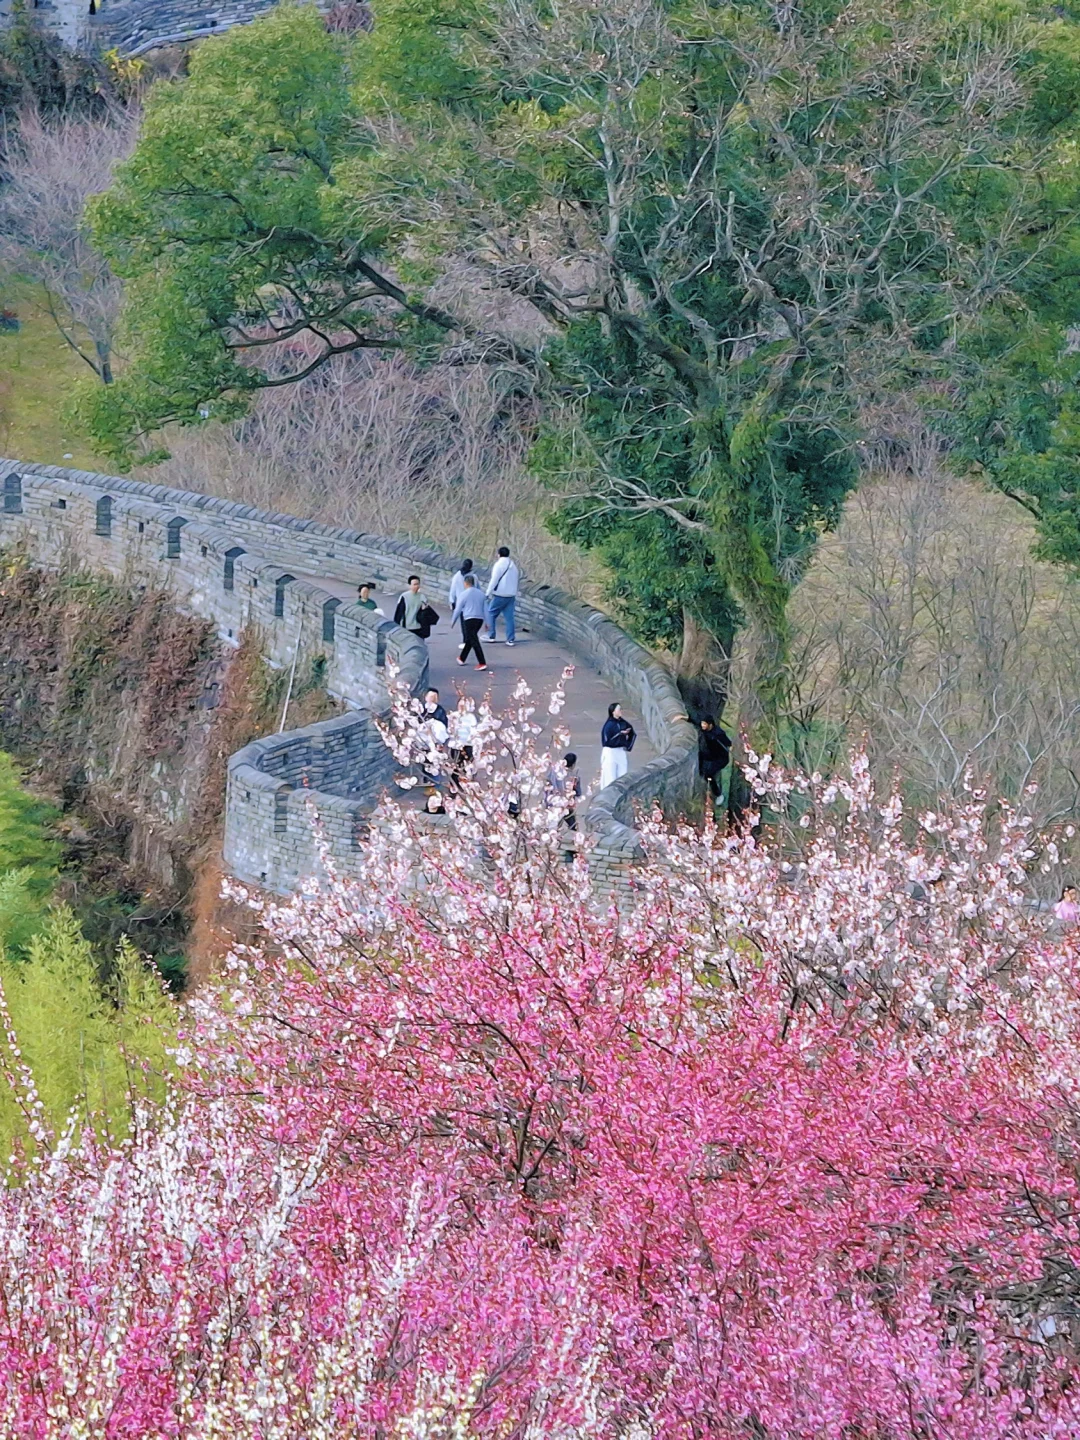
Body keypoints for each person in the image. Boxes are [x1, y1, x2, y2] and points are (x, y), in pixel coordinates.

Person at [547, 751, 582, 860]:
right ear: (573, 765)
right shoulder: (574, 776)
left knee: (552, 831)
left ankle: (551, 855)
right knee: (573, 829)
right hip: (567, 806)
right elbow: (578, 792)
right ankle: (571, 855)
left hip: (553, 805)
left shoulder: (553, 772)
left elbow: (547, 786)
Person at [450, 574, 488, 669]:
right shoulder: (481, 594)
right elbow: (486, 609)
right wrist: (488, 622)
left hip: (469, 619)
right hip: (479, 619)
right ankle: (462, 658)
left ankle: (482, 662)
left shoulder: (463, 594)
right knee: (471, 638)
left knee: (474, 640)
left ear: (465, 583)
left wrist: (453, 621)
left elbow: (458, 609)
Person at [486, 545, 519, 647]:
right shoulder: (513, 566)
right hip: (511, 595)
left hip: (500, 594)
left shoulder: (498, 565)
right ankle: (510, 639)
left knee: (491, 613)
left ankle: (491, 635)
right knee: (509, 618)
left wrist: (488, 592)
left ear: (499, 554)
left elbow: (494, 580)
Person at [600, 702, 635, 788]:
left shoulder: (623, 723)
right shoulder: (608, 725)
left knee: (622, 773)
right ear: (613, 712)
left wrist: (628, 745)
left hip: (620, 750)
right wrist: (620, 734)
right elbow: (606, 742)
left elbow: (632, 733)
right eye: (618, 709)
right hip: (610, 751)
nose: (620, 711)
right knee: (610, 775)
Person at [698, 716, 732, 804]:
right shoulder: (704, 730)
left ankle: (718, 794)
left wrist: (716, 739)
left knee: (709, 774)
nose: (702, 725)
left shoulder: (718, 733)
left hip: (720, 758)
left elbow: (728, 743)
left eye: (704, 724)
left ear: (710, 725)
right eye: (702, 723)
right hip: (710, 755)